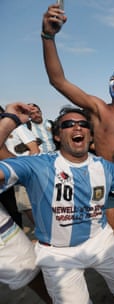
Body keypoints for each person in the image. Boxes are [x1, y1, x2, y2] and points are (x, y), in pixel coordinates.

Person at [0, 106, 114, 303]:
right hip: (57, 253)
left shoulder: (105, 167)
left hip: (100, 240)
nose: (77, 128)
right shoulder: (37, 165)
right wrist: (10, 120)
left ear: (90, 136)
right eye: (68, 124)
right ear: (56, 136)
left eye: (83, 124)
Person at [41, 3, 114, 245]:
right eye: (112, 78)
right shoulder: (99, 109)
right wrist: (48, 36)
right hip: (108, 182)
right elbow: (58, 81)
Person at [0, 102, 51, 303]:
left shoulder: (19, 129)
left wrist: (23, 171)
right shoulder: (10, 124)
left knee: (29, 267)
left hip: (17, 183)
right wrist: (9, 121)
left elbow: (33, 150)